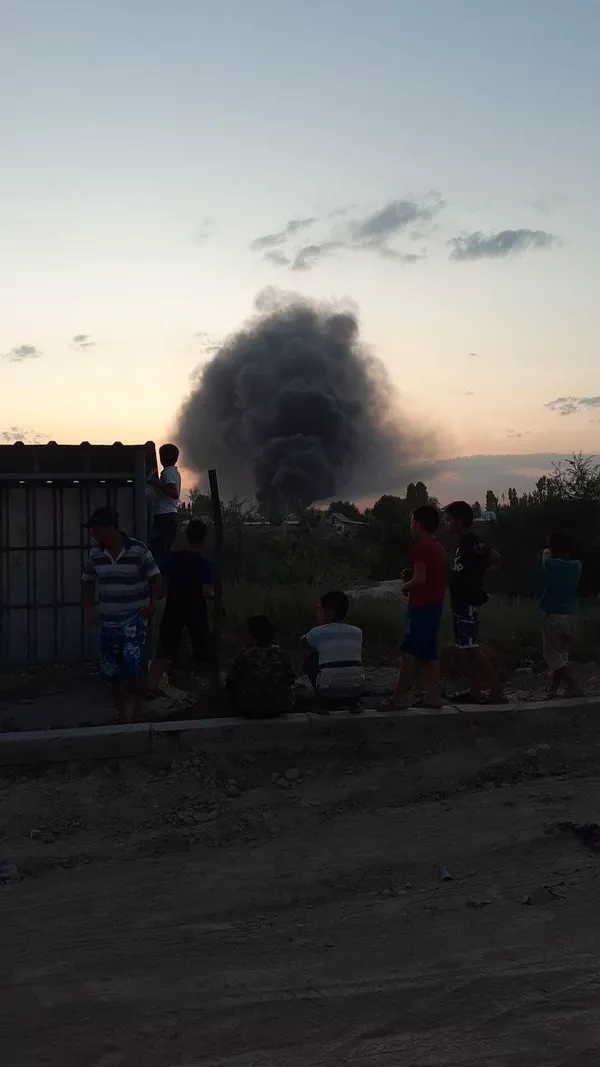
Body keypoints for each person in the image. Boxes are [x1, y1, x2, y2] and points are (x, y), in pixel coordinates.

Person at [81, 506, 160, 722]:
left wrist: (152, 603)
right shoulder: (95, 554)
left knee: (134, 668)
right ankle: (122, 715)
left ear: (110, 528)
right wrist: (88, 609)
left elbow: (155, 577)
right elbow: (87, 581)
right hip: (109, 622)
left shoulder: (138, 550)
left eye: (96, 529)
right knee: (111, 672)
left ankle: (138, 711)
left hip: (134, 619)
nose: (92, 534)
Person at [379, 504, 447, 711]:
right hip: (435, 605)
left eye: (411, 521)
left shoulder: (421, 548)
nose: (410, 525)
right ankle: (432, 696)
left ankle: (399, 698)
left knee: (408, 652)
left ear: (418, 524)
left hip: (421, 606)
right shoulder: (438, 547)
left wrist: (404, 586)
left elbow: (420, 579)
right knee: (429, 653)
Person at [444, 500, 503, 704]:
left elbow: (494, 555)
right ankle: (475, 691)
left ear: (460, 520)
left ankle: (496, 692)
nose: (446, 523)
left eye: (449, 519)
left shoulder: (471, 540)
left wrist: (478, 571)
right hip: (461, 600)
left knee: (472, 647)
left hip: (468, 601)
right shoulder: (462, 543)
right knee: (468, 647)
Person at [147, 519, 214, 693]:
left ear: (187, 536)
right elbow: (206, 591)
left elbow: (156, 574)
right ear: (203, 539)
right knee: (205, 652)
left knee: (165, 651)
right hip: (196, 610)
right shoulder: (204, 563)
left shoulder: (174, 558)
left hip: (174, 607)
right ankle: (213, 689)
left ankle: (150, 687)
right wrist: (216, 598)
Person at [301, 590, 365, 710]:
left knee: (310, 658)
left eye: (320, 610)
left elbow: (303, 648)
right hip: (357, 689)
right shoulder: (357, 632)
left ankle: (323, 699)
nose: (317, 613)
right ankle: (351, 701)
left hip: (328, 691)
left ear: (330, 612)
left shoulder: (316, 632)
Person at [540, 531, 583, 698]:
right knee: (562, 654)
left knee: (550, 654)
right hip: (572, 615)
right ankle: (553, 689)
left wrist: (547, 551)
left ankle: (573, 685)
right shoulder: (577, 565)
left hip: (554, 615)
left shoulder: (550, 564)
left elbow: (545, 558)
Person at [226, 615, 294, 719]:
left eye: (247, 633)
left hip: (249, 710)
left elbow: (231, 680)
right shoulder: (279, 652)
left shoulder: (244, 654)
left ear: (255, 636)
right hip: (277, 708)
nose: (244, 636)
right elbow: (290, 679)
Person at [148, 443, 181, 569]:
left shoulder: (168, 473)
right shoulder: (172, 472)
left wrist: (157, 483)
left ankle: (160, 577)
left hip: (164, 516)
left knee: (159, 553)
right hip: (168, 516)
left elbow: (174, 493)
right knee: (162, 551)